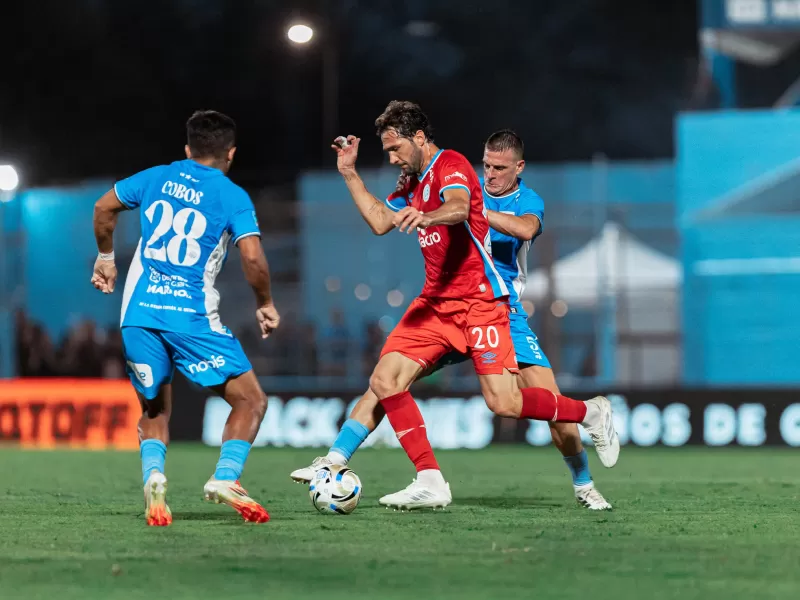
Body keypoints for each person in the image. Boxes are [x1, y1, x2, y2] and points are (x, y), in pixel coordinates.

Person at [291, 101, 619, 510]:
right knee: (385, 380)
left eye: (395, 149)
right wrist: (349, 173)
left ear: (419, 138)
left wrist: (440, 215)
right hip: (438, 304)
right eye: (488, 166)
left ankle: (587, 451)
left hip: (490, 305)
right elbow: (379, 221)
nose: (490, 173)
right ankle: (358, 463)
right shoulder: (421, 181)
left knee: (513, 403)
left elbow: (475, 212)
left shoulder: (464, 173)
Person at [91, 110, 280, 526]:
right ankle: (226, 477)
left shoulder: (156, 177)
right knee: (250, 400)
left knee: (155, 409)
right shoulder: (232, 195)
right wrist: (265, 302)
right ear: (231, 153)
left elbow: (104, 207)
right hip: (191, 319)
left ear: (187, 149)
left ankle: (154, 477)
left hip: (138, 316)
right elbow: (252, 257)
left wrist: (106, 258)